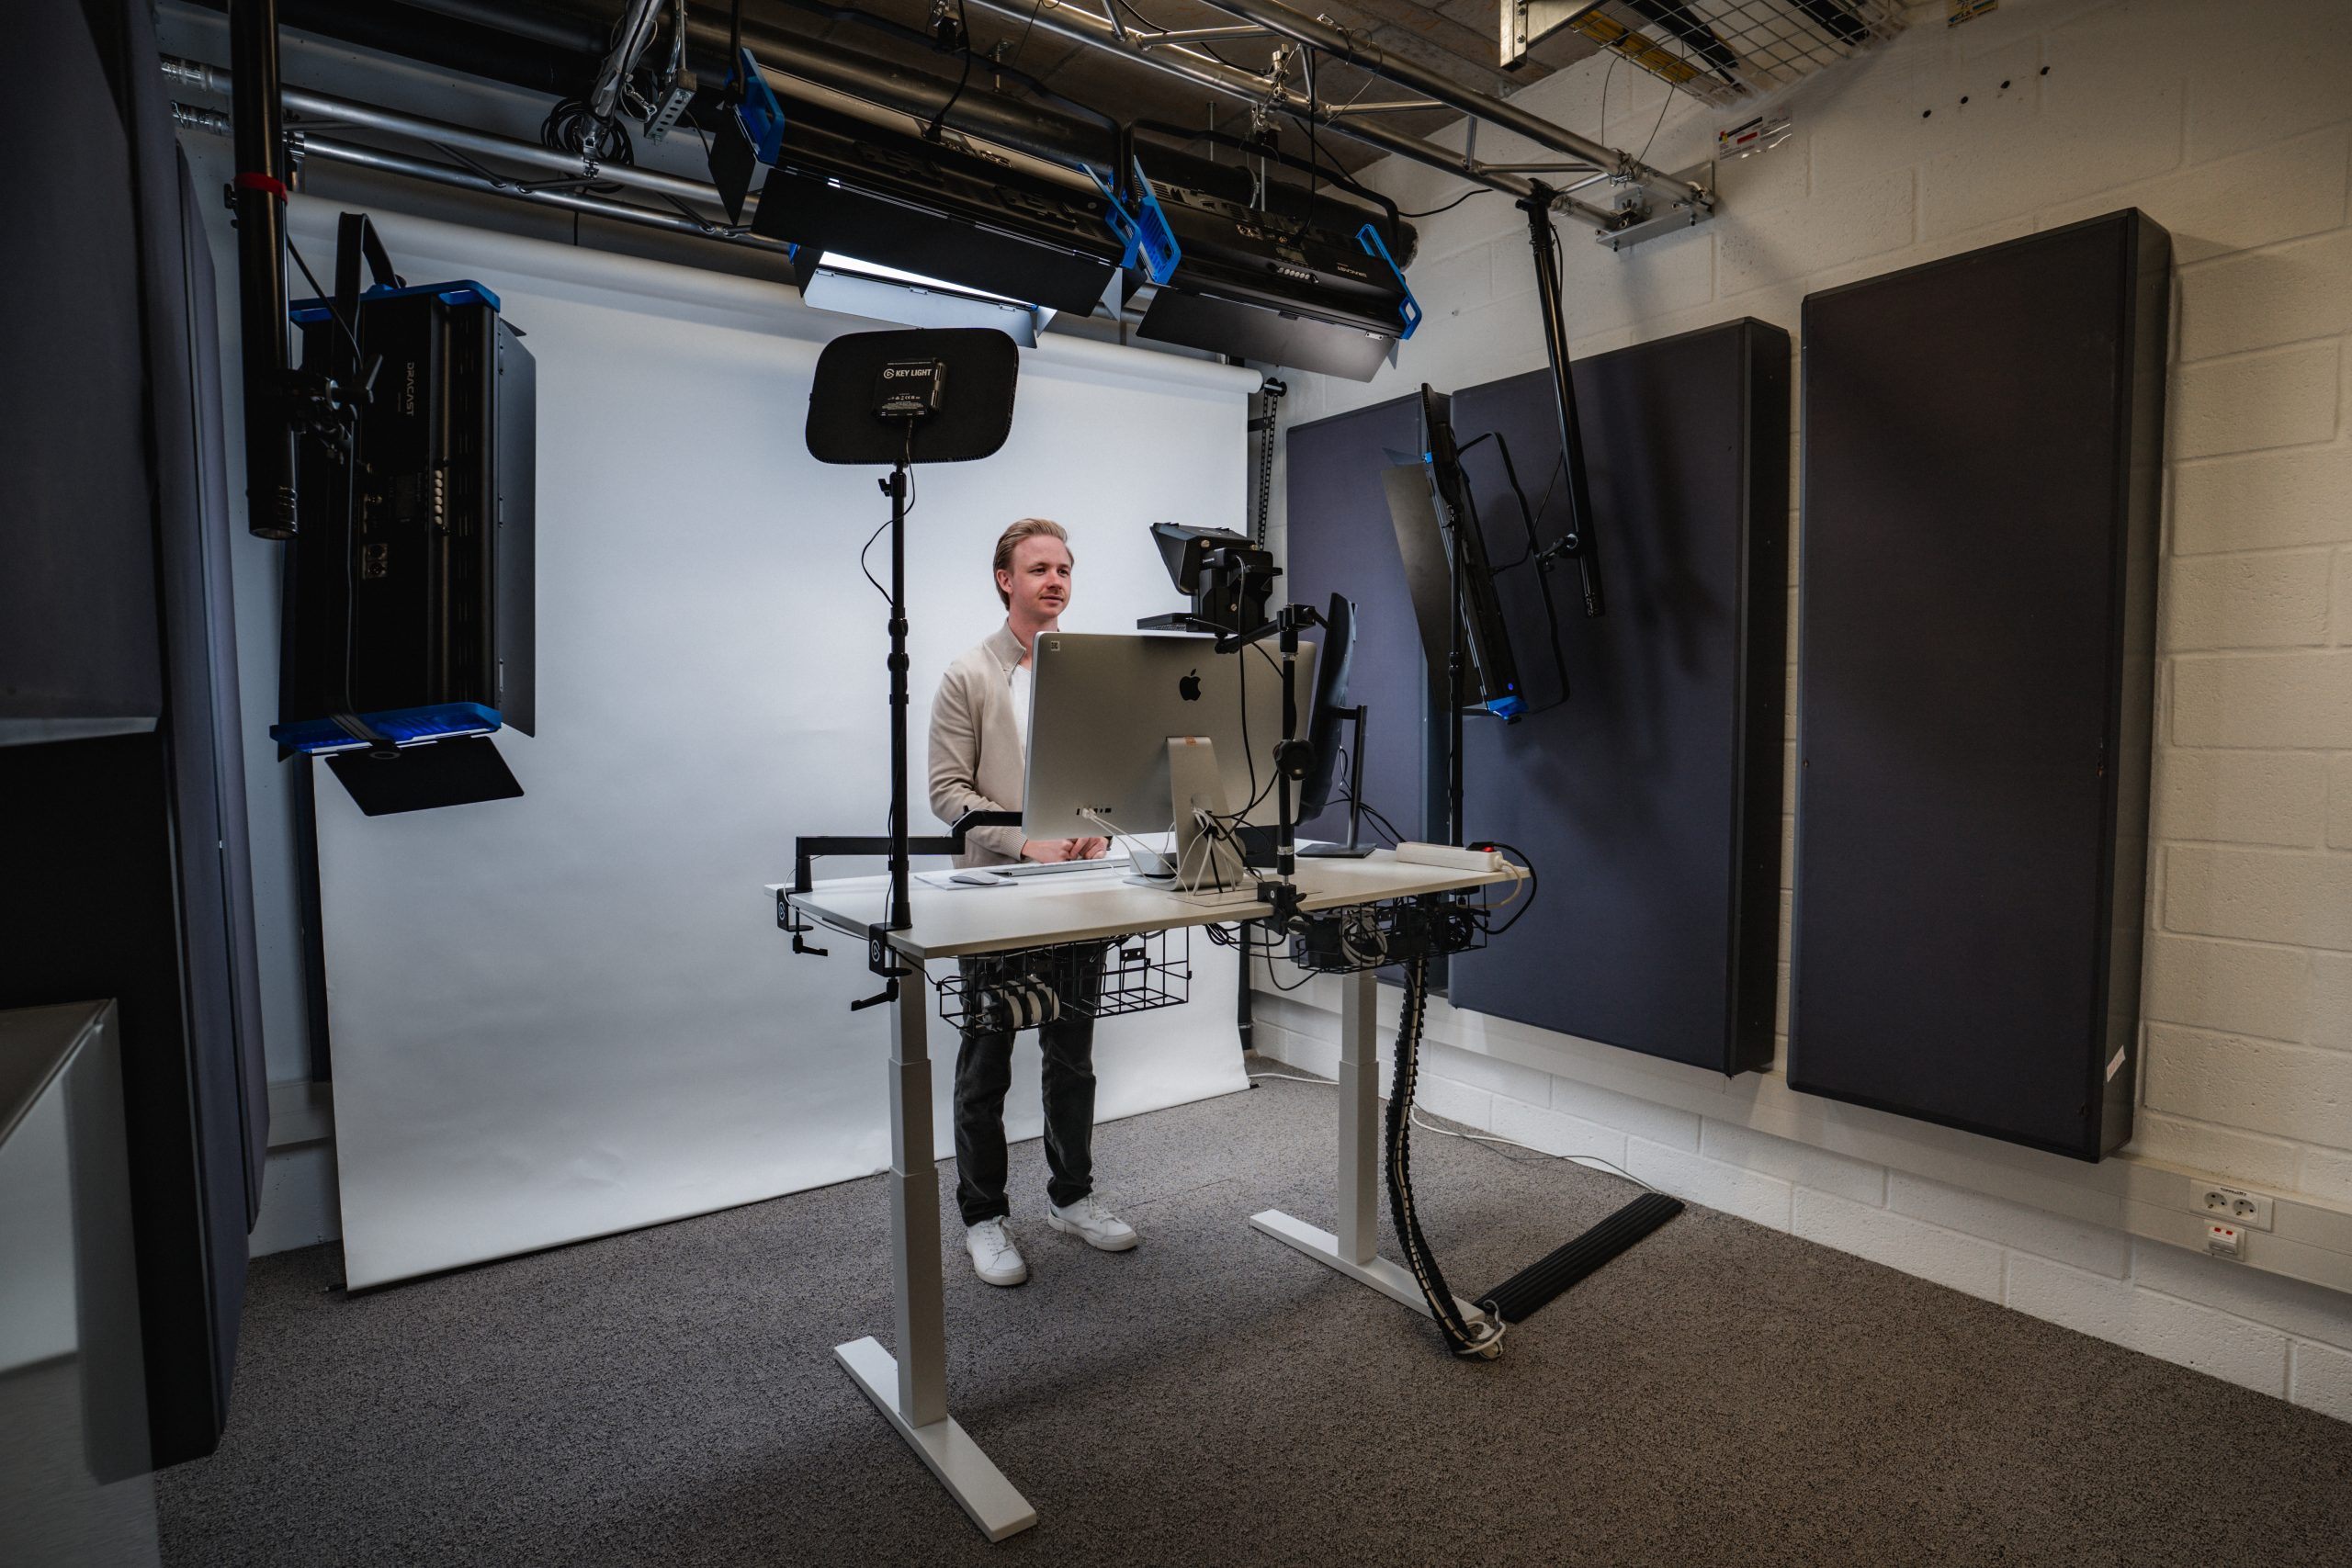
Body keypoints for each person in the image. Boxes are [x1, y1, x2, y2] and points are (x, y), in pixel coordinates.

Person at [926, 517, 1138, 1286]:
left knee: (1071, 1055)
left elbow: (1107, 771)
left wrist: (1098, 829)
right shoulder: (968, 674)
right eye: (1039, 567)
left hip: (1077, 894)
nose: (1055, 580)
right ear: (1005, 579)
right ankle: (983, 1217)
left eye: (1064, 569)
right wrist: (1027, 841)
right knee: (987, 1063)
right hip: (999, 897)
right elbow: (947, 793)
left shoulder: (1089, 672)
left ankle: (1071, 1198)